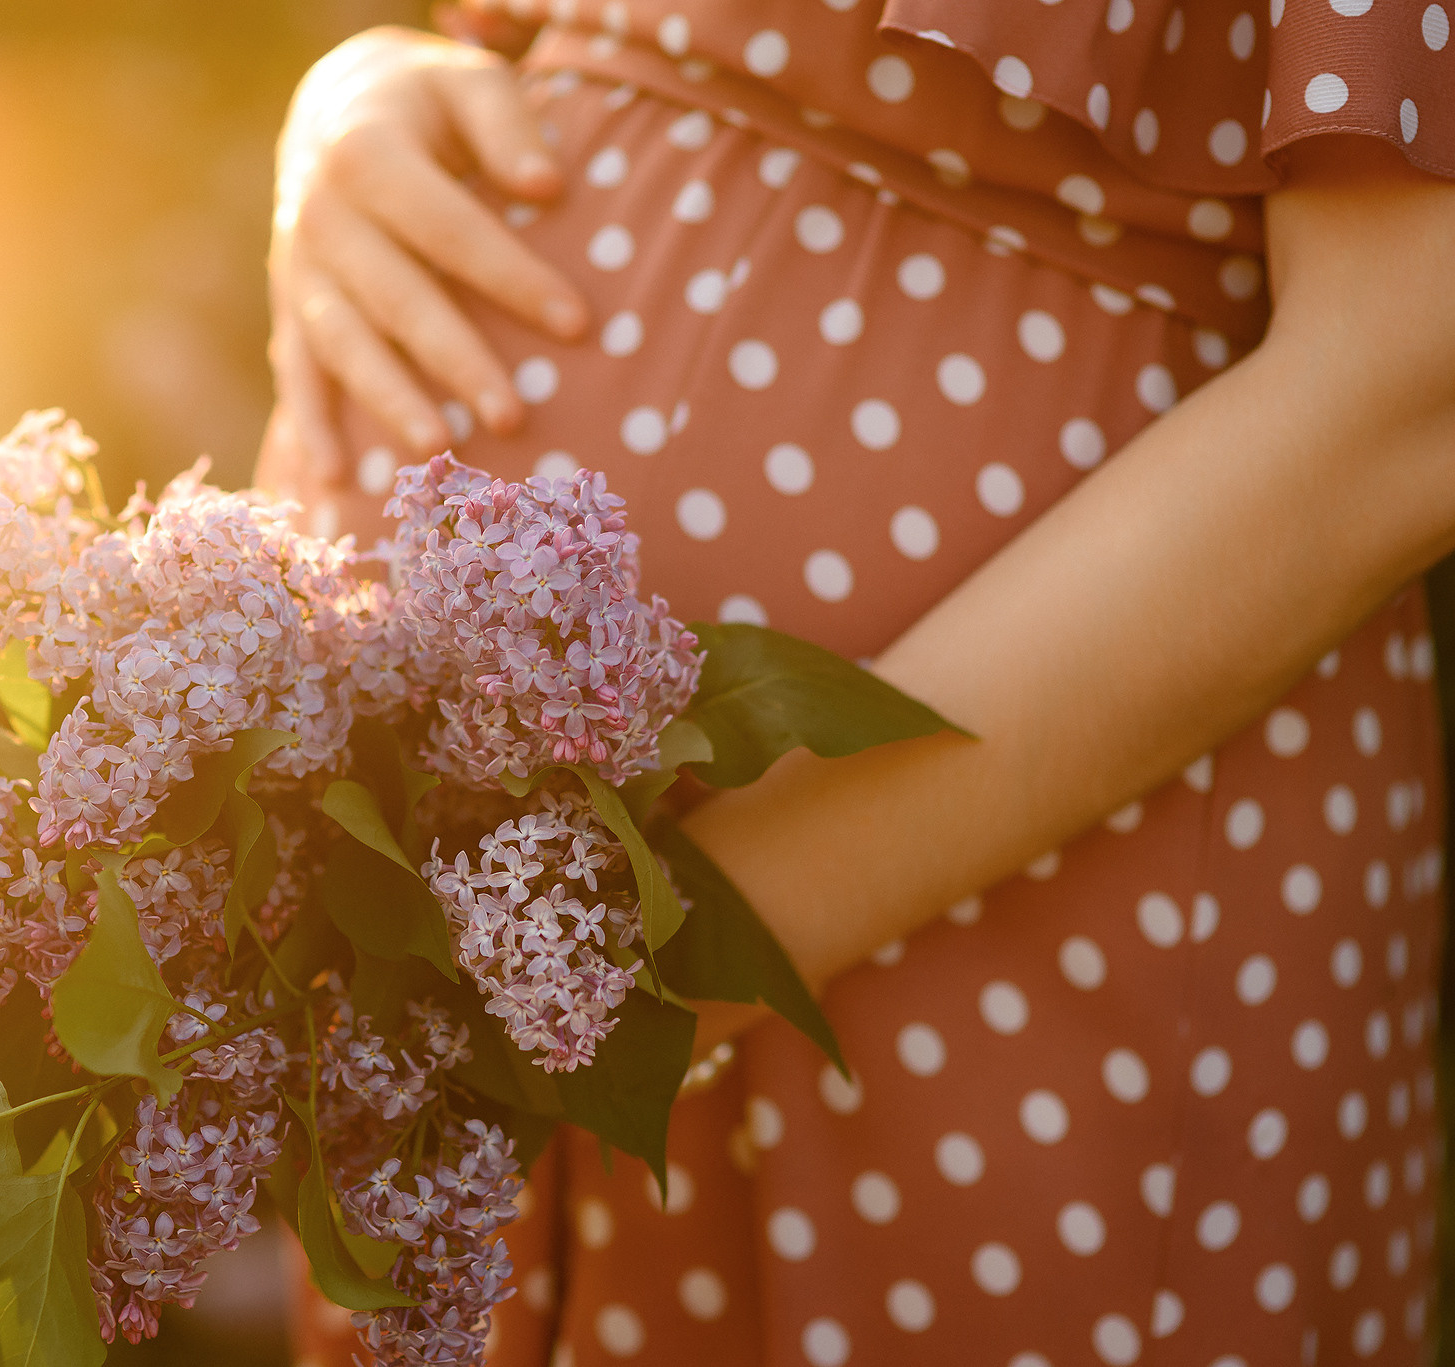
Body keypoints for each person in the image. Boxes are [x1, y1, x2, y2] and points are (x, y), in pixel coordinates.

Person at [258, 2, 1455, 1363]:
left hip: (1015, 896)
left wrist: (623, 977)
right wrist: (365, 93)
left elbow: (1412, 374)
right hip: (462, 963)